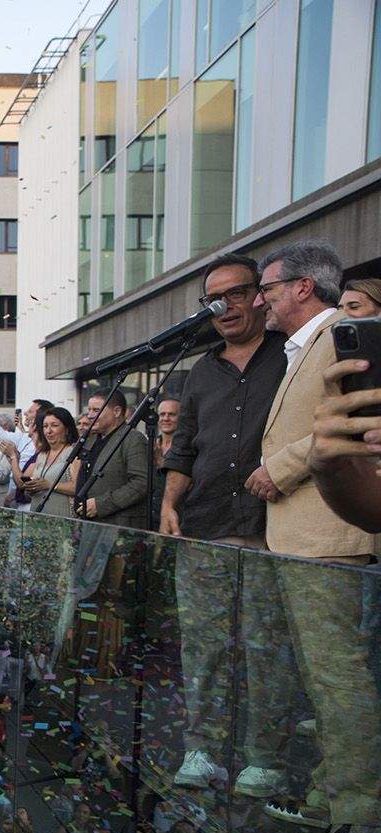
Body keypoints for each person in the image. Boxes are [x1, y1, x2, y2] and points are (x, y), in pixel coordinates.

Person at [251, 240, 381, 833]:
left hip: (330, 532)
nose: (261, 301)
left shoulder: (341, 338)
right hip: (301, 536)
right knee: (321, 679)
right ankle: (330, 794)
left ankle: (362, 812)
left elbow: (347, 423)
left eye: (268, 288)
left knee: (338, 677)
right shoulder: (306, 346)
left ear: (303, 286)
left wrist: (278, 466)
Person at [159, 253, 294, 794]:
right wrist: (170, 503)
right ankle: (203, 750)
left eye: (235, 293)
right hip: (205, 527)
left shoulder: (290, 354)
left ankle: (265, 758)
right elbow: (183, 447)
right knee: (204, 649)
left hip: (272, 529)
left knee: (266, 651)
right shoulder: (200, 371)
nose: (224, 307)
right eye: (213, 299)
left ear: (260, 294)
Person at [310, 278, 381, 532]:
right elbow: (373, 514)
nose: (342, 316)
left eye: (354, 306)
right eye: (340, 308)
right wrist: (328, 468)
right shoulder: (336, 372)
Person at [74, 388, 150, 527]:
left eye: (96, 410)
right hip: (89, 525)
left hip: (118, 526)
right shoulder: (92, 439)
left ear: (117, 411)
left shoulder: (133, 439)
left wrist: (101, 504)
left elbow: (142, 483)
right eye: (89, 410)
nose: (90, 415)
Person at [3, 405, 78, 517]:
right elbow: (22, 483)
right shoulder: (42, 455)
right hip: (38, 517)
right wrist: (32, 488)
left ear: (67, 429)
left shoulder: (74, 453)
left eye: (54, 425)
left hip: (62, 518)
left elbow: (77, 487)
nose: (48, 431)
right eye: (45, 426)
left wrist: (50, 485)